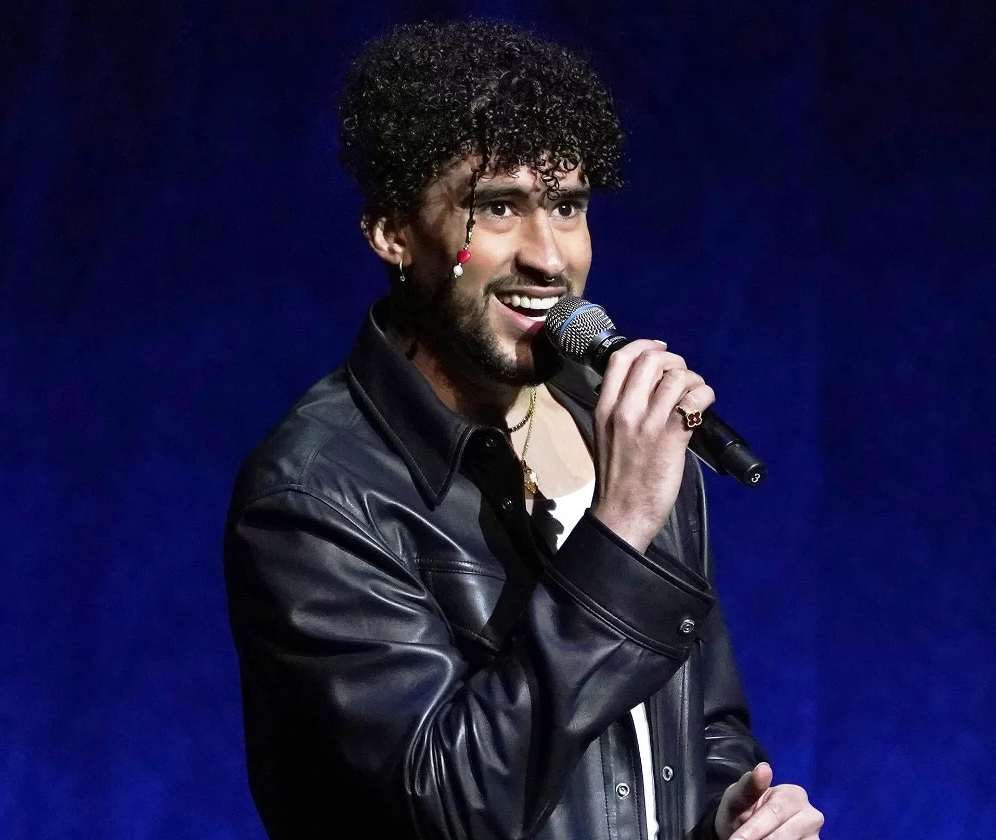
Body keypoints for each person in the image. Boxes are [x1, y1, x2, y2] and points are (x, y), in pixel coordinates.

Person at [224, 19, 824, 840]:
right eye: (498, 207)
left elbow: (702, 727)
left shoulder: (620, 431)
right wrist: (618, 532)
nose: (549, 257)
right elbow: (448, 805)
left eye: (568, 206)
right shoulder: (315, 496)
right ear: (394, 234)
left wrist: (724, 817)